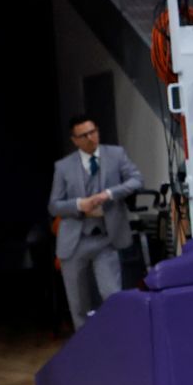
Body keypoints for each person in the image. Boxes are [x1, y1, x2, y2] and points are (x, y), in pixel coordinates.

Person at [47, 115, 144, 330]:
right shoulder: (63, 167)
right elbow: (54, 205)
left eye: (93, 132)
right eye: (84, 135)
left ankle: (116, 339)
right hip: (75, 241)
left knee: (112, 294)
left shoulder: (116, 155)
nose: (91, 138)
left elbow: (137, 179)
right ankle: (85, 349)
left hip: (106, 238)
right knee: (79, 303)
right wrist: (80, 205)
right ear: (75, 140)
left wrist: (109, 194)